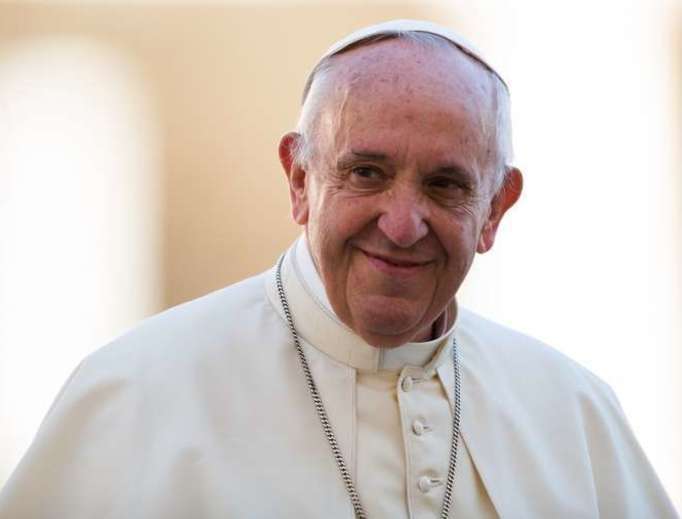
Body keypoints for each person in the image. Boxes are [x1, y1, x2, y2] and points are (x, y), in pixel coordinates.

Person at [0, 19, 677, 519]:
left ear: (496, 208)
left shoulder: (575, 414)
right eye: (366, 172)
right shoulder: (133, 394)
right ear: (299, 179)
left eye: (445, 185)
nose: (402, 223)